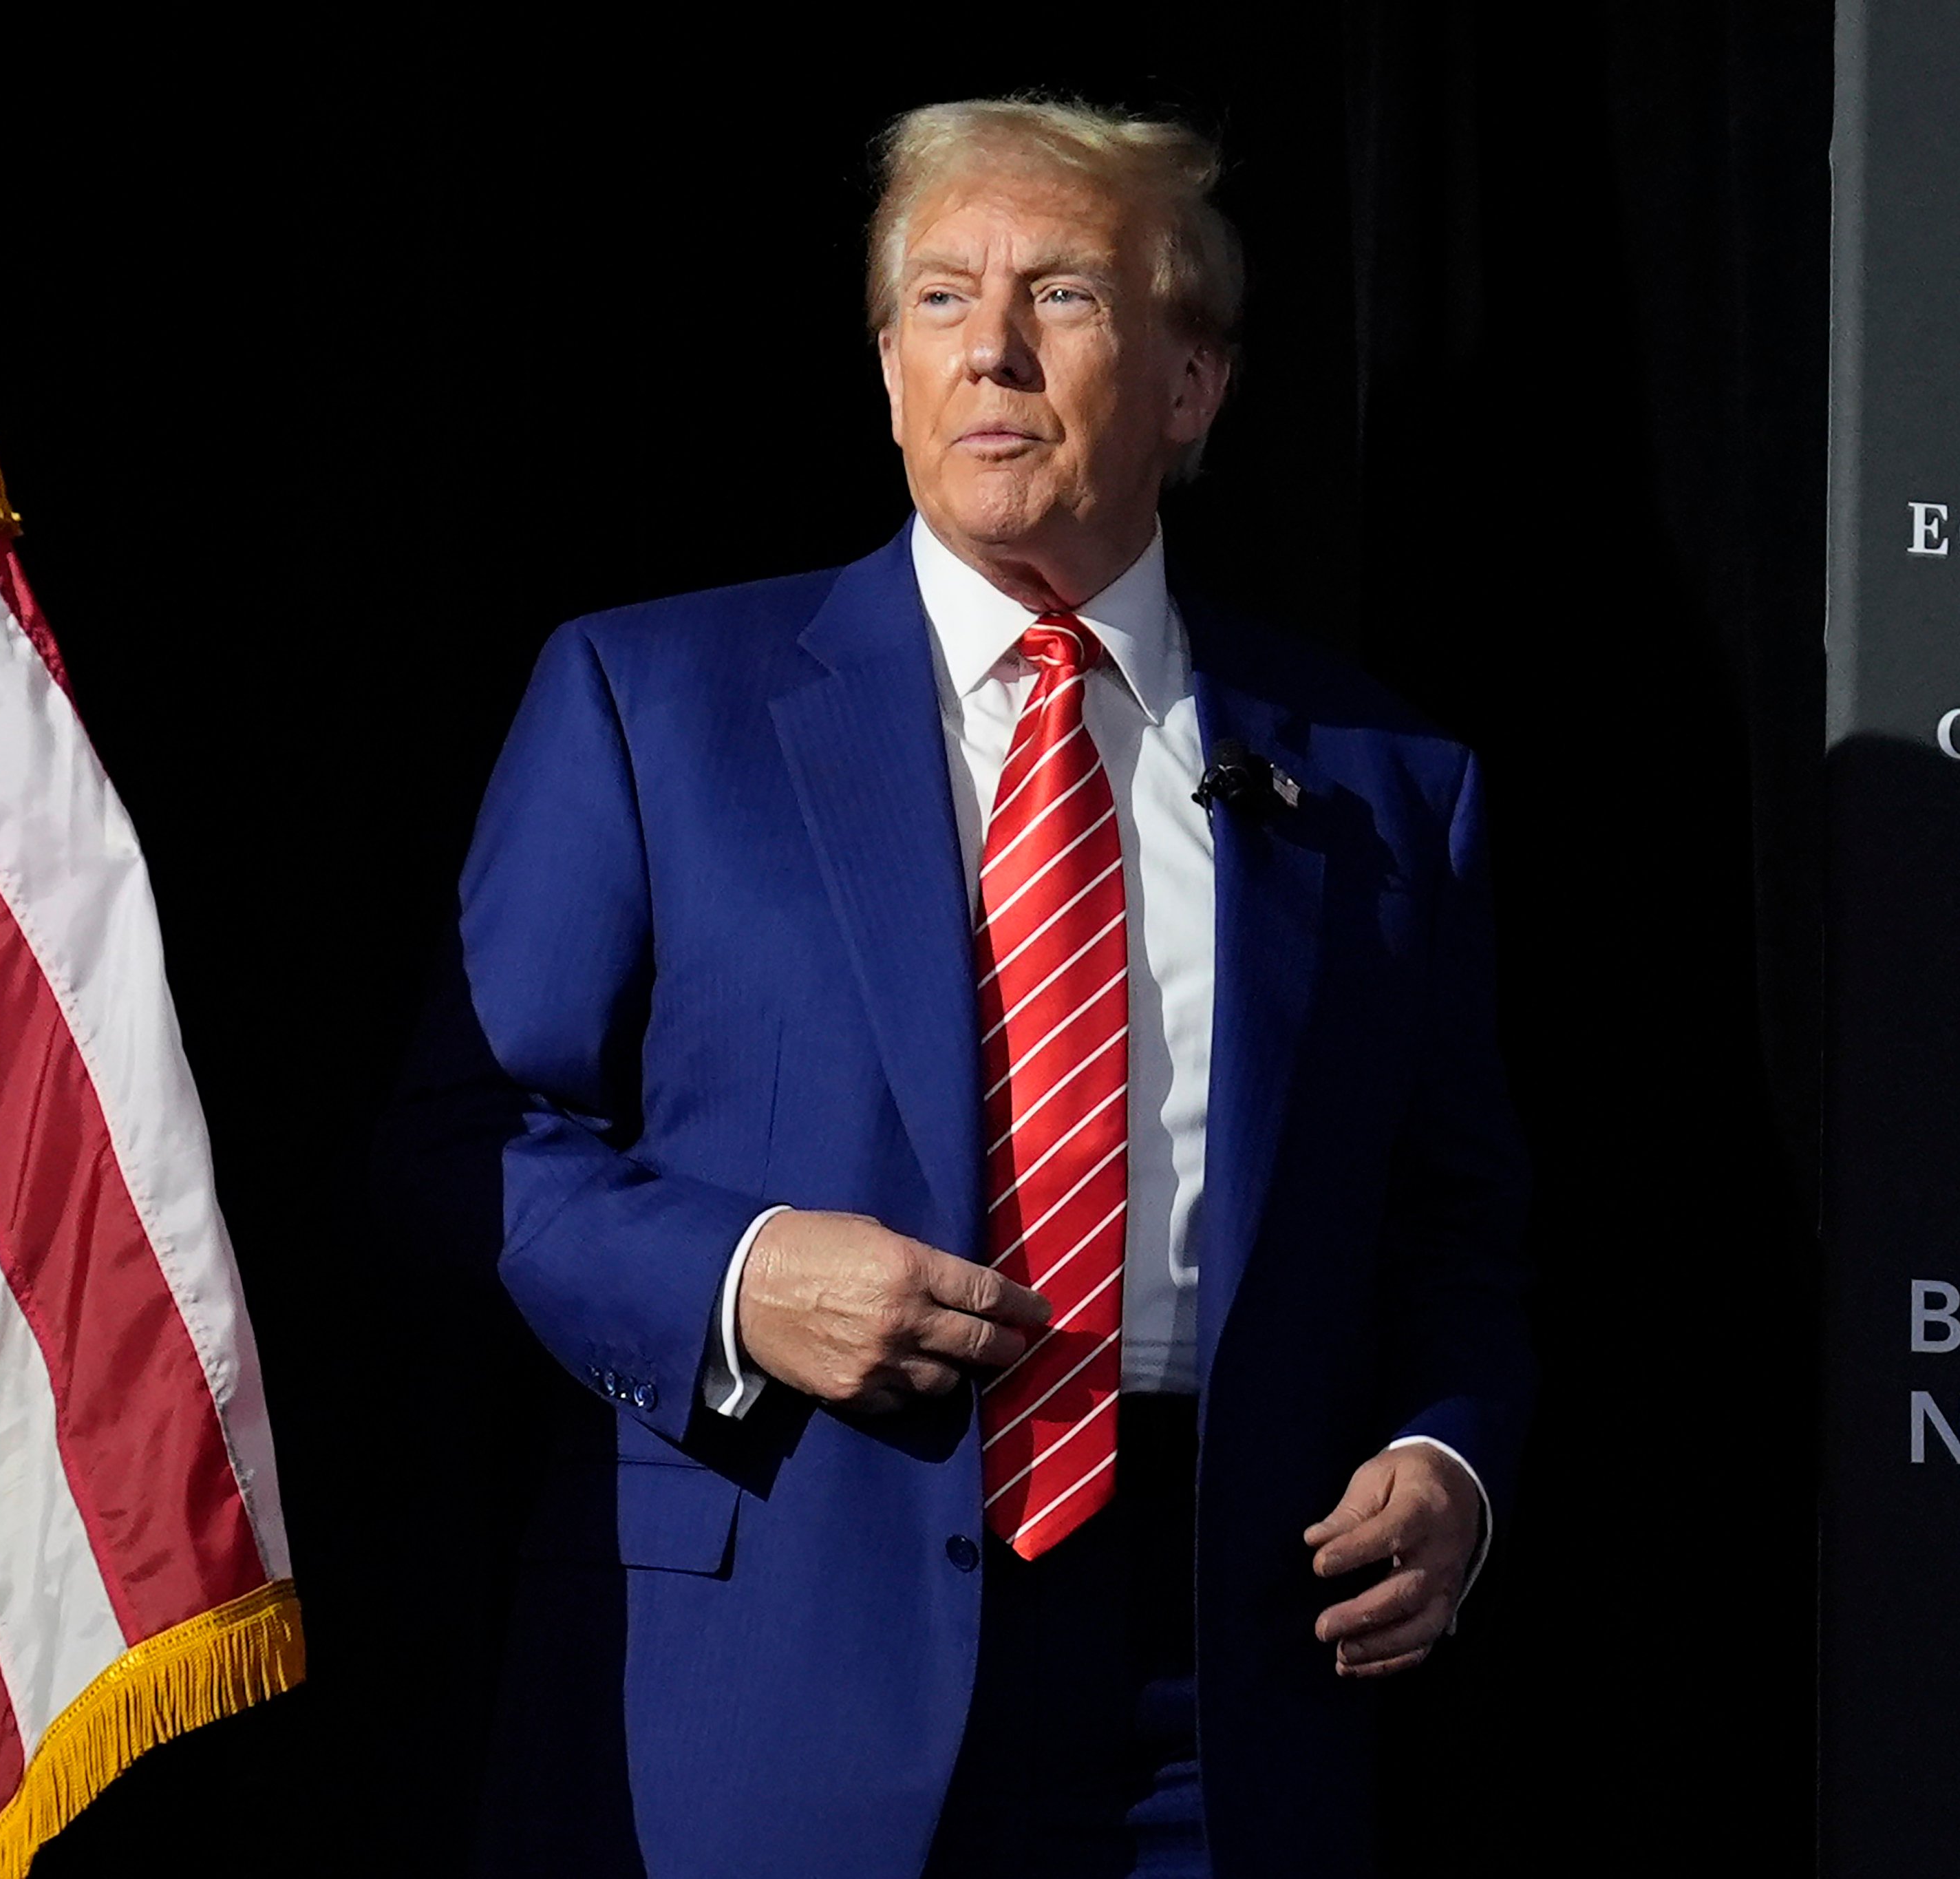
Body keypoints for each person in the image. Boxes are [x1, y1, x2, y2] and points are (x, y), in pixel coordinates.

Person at [396, 96, 1534, 1879]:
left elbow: (1456, 1217)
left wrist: (1449, 1456)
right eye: (939, 298)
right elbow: (473, 1142)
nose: (990, 348)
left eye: (1064, 295)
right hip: (784, 1644)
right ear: (886, 365)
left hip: (1222, 1685)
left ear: (1192, 385)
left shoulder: (1387, 784)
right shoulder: (652, 702)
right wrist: (742, 1278)